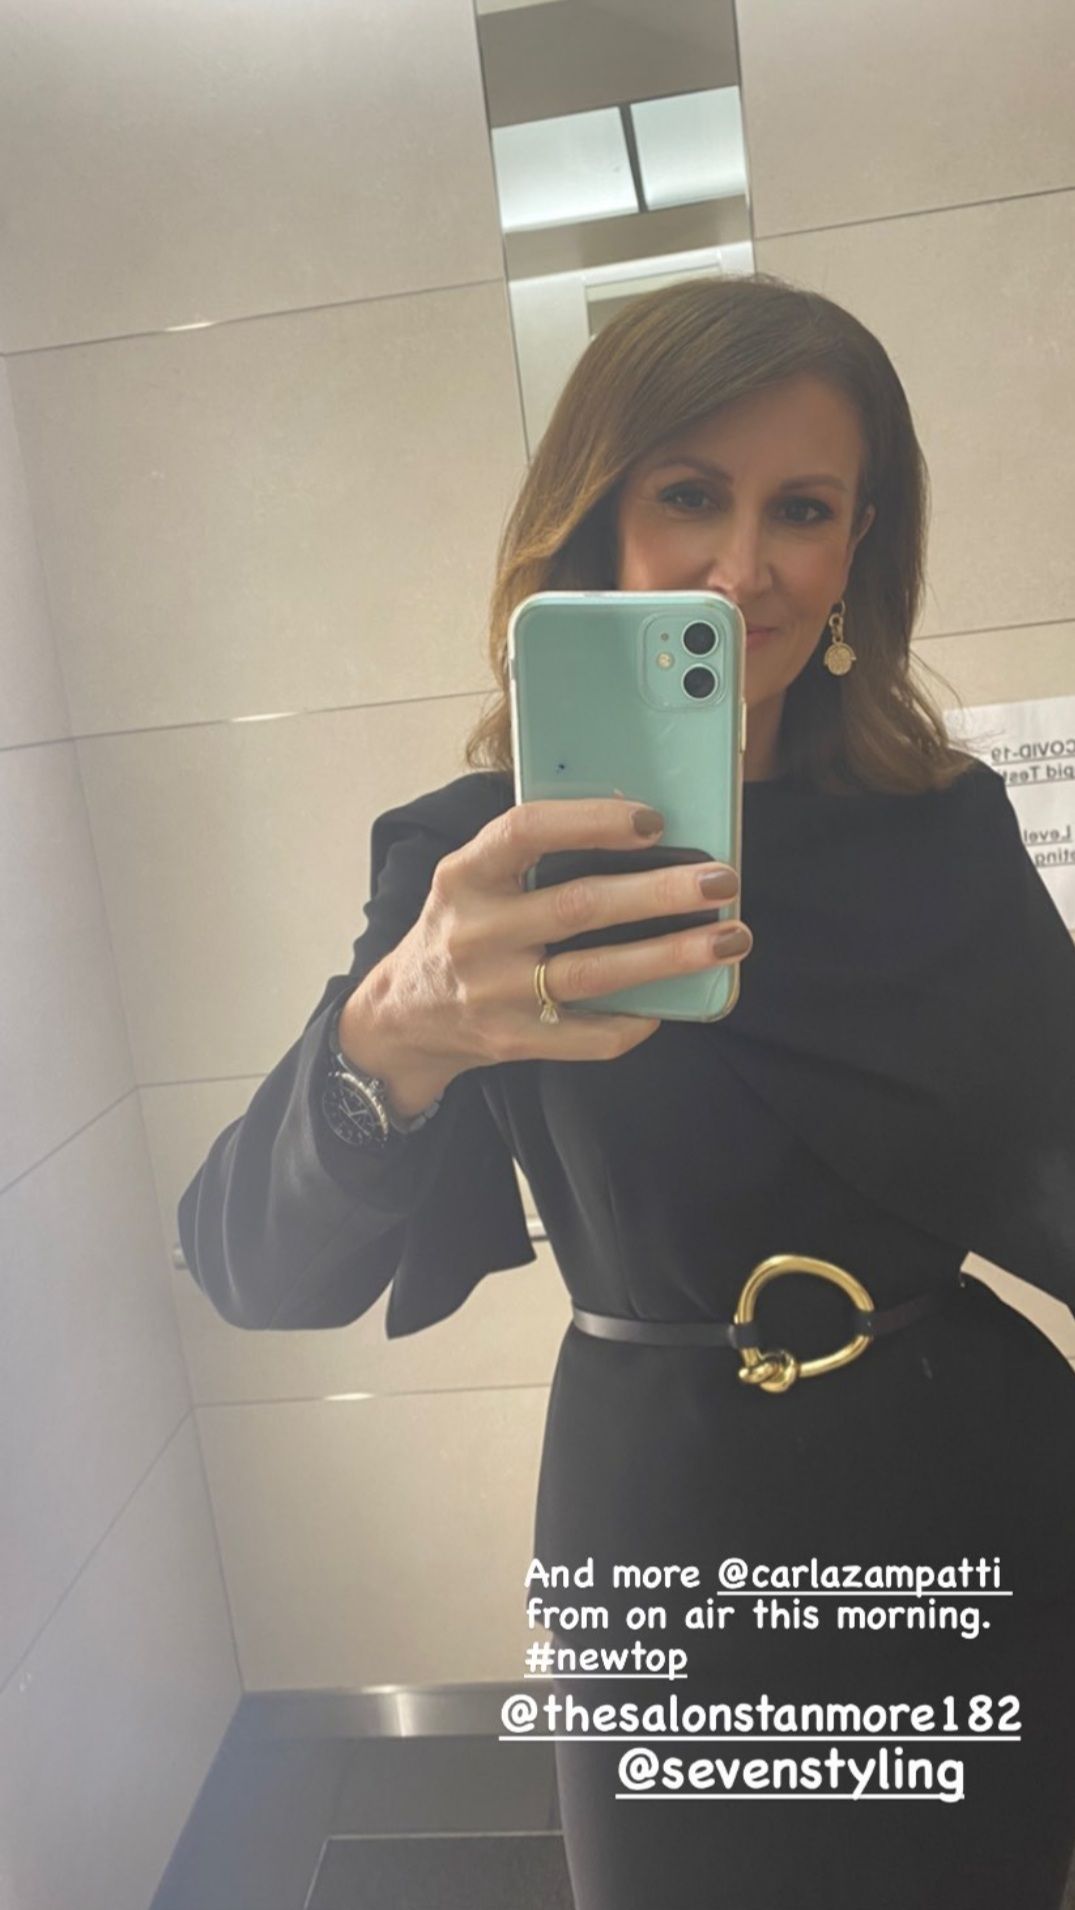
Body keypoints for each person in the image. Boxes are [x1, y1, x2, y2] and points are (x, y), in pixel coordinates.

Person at [178, 274, 1075, 1908]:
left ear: (861, 547)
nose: (744, 567)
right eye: (688, 494)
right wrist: (398, 1032)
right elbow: (257, 1264)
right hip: (665, 1515)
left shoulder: (942, 828)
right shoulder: (476, 867)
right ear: (598, 520)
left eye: (802, 509)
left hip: (974, 1484)